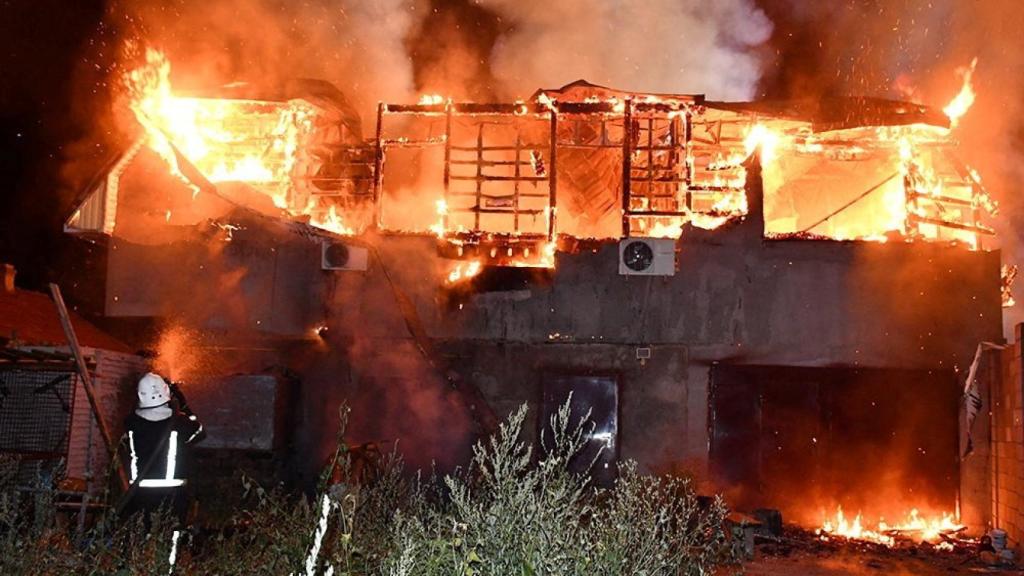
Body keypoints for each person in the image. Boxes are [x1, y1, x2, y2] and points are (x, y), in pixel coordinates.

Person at [121, 372, 205, 530]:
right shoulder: (180, 422)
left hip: (139, 492)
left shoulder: (131, 423)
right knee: (172, 533)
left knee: (139, 534)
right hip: (173, 492)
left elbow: (133, 419)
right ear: (166, 391)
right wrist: (181, 400)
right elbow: (199, 431)